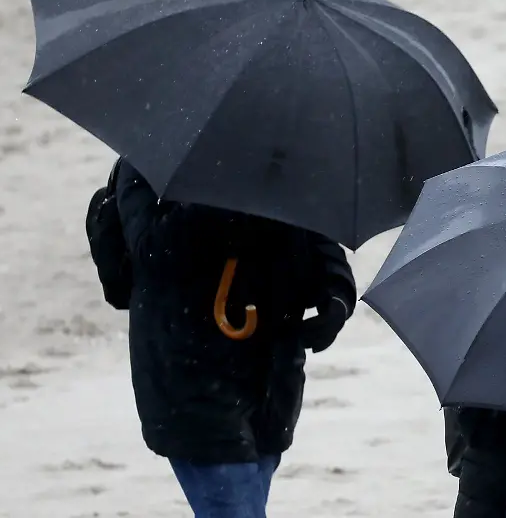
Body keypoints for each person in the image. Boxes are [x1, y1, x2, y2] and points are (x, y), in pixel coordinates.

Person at [115, 161, 356, 518]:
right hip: (190, 376)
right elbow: (153, 253)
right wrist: (220, 198)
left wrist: (337, 296)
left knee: (246, 502)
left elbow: (316, 232)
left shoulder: (280, 158)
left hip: (270, 379)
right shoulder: (149, 161)